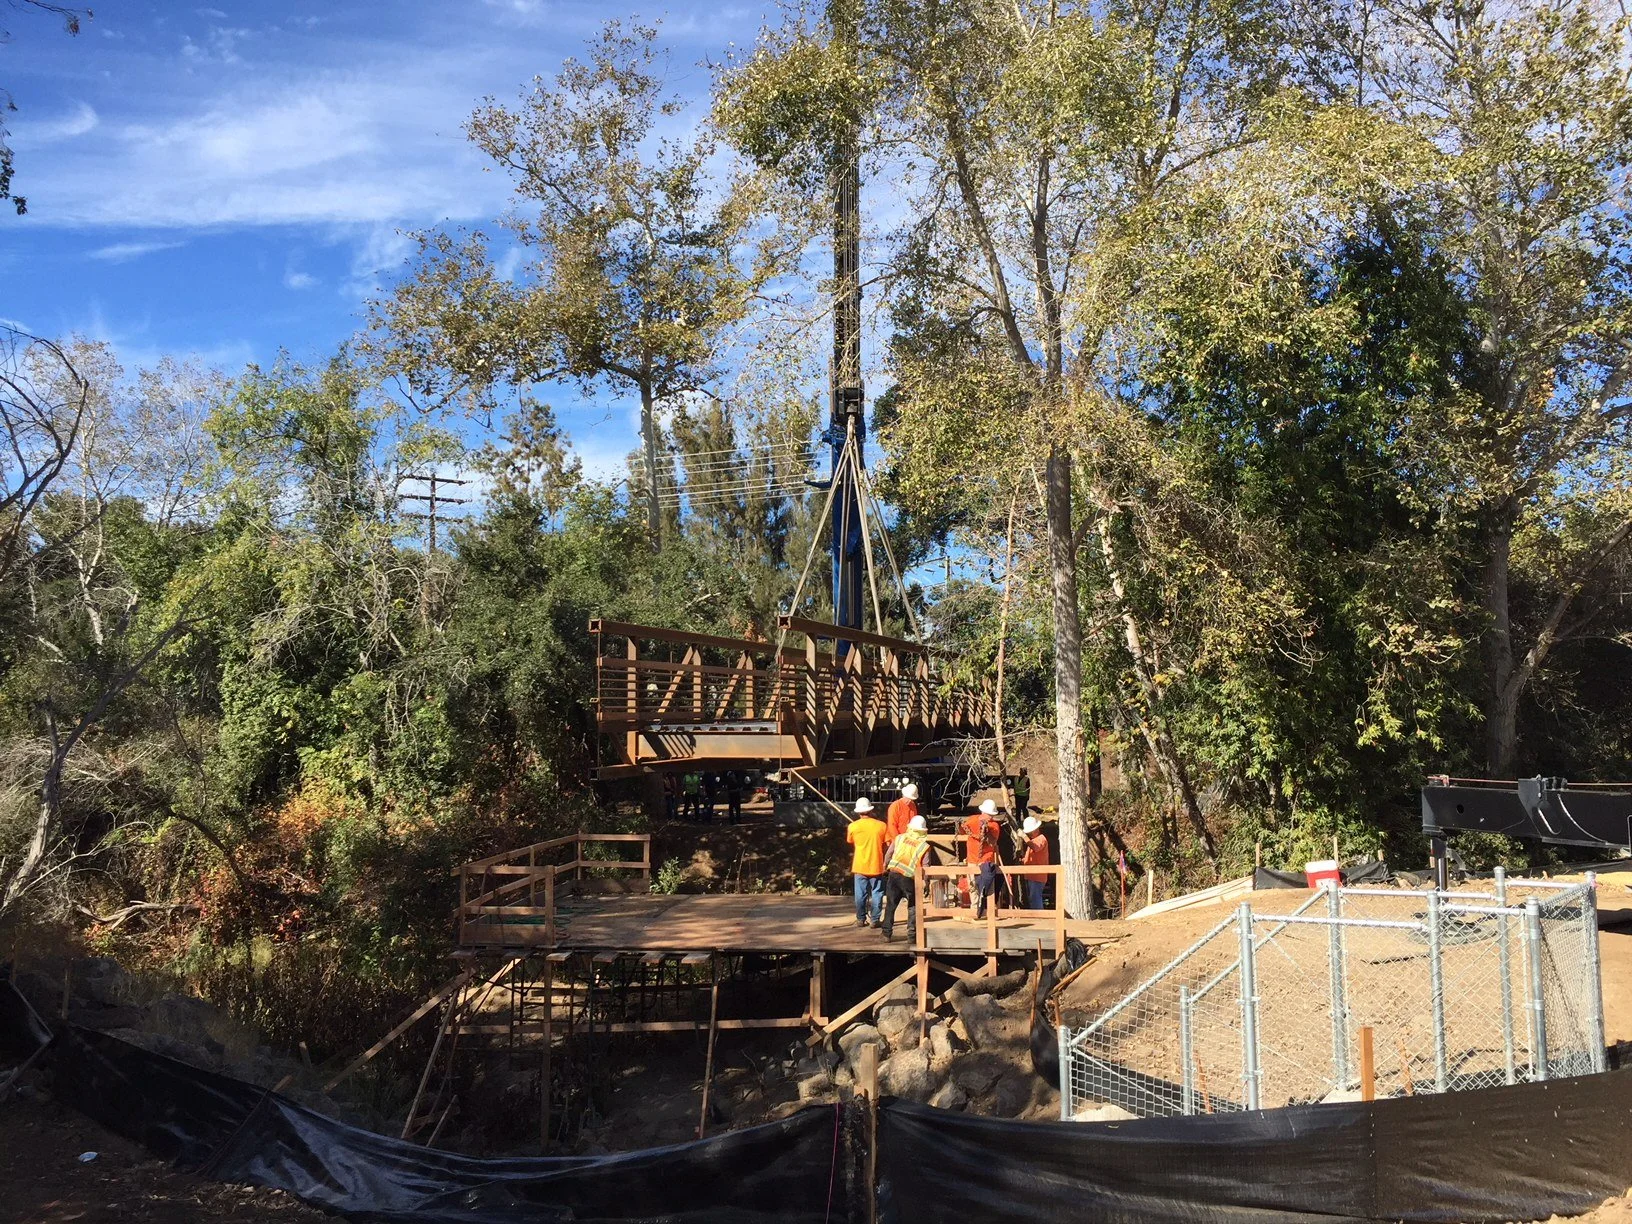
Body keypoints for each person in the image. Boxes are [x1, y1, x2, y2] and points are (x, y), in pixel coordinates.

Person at [880, 814, 933, 941]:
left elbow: (888, 854)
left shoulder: (899, 838)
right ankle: (912, 935)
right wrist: (926, 883)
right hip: (910, 878)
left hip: (894, 874)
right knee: (913, 906)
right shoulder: (924, 846)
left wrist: (885, 866)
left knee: (891, 906)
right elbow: (926, 866)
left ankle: (886, 934)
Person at [846, 797, 888, 928]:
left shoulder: (853, 826)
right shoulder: (881, 826)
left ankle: (860, 919)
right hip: (876, 864)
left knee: (860, 894)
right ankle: (875, 920)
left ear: (858, 812)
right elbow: (886, 843)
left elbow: (850, 841)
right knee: (877, 893)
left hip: (859, 865)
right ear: (871, 810)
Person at [961, 799, 1003, 919]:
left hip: (986, 861)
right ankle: (975, 910)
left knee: (987, 885)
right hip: (972, 859)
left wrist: (986, 832)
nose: (990, 817)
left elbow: (993, 842)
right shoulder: (972, 820)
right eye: (989, 815)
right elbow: (962, 830)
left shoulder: (994, 826)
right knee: (972, 886)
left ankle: (989, 911)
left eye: (991, 815)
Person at [1020, 815, 1050, 910]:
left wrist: (1024, 837)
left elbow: (1035, 847)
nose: (1029, 834)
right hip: (1031, 875)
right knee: (1033, 898)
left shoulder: (1041, 839)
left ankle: (1039, 917)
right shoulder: (1033, 840)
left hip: (1037, 876)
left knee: (1035, 898)